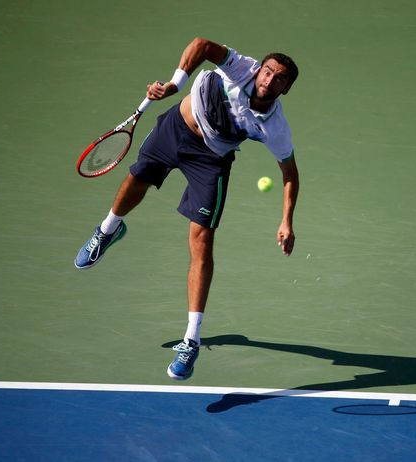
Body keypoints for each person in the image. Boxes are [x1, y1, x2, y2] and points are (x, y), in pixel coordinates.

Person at [73, 38, 300, 381]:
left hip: (211, 160)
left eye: (279, 78)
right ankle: (108, 230)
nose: (269, 79)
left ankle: (191, 340)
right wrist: (175, 84)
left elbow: (290, 173)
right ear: (259, 69)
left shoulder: (274, 127)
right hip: (175, 128)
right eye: (267, 71)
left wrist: (286, 221)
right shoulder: (242, 68)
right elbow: (203, 45)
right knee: (136, 179)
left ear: (286, 88)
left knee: (202, 241)